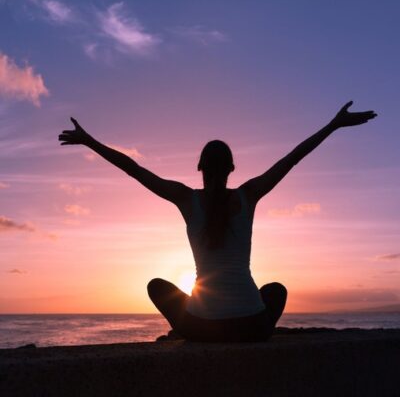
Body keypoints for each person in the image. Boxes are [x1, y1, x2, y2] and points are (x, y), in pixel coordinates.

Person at [59, 101, 377, 342]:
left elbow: (134, 169)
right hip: (252, 328)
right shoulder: (248, 194)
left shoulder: (186, 198)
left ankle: (185, 331)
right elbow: (292, 158)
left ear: (200, 168)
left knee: (157, 286)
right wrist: (333, 124)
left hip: (200, 329)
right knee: (276, 290)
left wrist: (89, 141)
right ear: (231, 169)